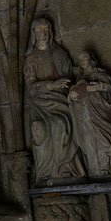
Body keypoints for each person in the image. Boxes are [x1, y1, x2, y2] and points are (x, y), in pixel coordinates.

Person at [23, 18, 85, 184]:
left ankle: (65, 167)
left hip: (62, 99)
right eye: (39, 31)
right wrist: (51, 85)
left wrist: (77, 72)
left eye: (45, 30)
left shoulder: (60, 53)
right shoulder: (31, 60)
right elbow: (31, 88)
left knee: (61, 123)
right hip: (41, 103)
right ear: (33, 35)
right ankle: (47, 172)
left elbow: (68, 75)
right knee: (43, 127)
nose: (43, 34)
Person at [69, 51, 111, 177]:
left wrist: (98, 87)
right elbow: (76, 98)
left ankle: (108, 168)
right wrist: (73, 97)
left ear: (91, 60)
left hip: (99, 114)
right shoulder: (79, 79)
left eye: (85, 58)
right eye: (80, 59)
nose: (82, 61)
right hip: (85, 116)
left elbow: (109, 90)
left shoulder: (100, 74)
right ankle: (94, 171)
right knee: (88, 140)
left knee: (102, 140)